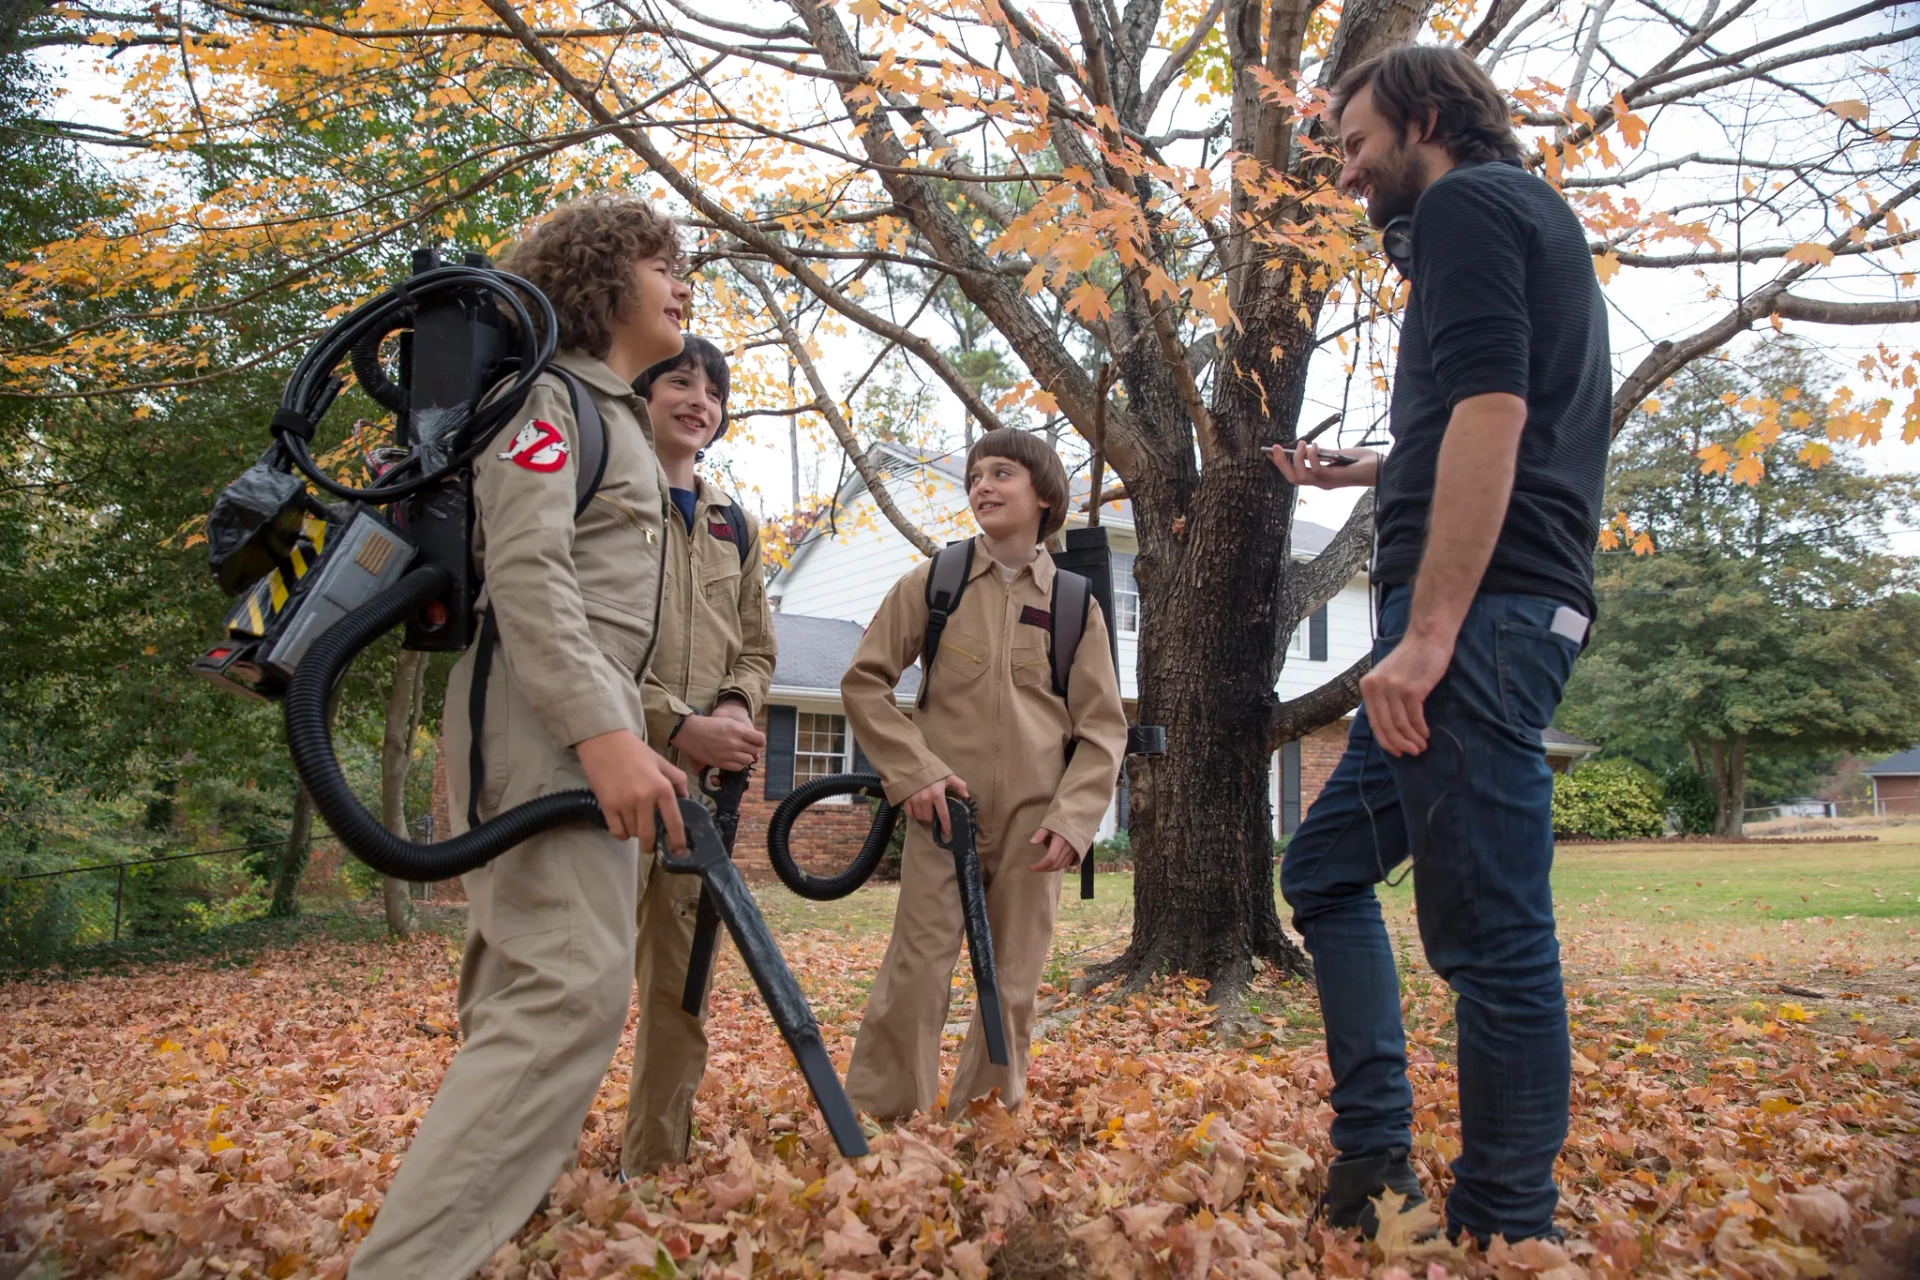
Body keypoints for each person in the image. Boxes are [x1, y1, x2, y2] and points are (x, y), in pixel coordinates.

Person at [1268, 45, 1611, 1246]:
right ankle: (1373, 1161)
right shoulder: (1515, 218)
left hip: (1479, 625)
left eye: (1358, 143)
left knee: (1491, 930)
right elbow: (1485, 405)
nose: (1349, 172)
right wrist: (1368, 466)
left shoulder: (1469, 202)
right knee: (1321, 870)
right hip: (1486, 619)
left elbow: (1494, 414)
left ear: (1423, 116)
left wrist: (1425, 637)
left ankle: (1508, 1224)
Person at [351, 197, 692, 1280]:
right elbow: (535, 576)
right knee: (568, 988)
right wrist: (600, 733)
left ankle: (465, 1236)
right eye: (658, 261)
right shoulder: (550, 399)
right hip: (541, 726)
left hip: (556, 723)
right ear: (602, 281)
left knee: (524, 989)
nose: (680, 281)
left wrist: (632, 732)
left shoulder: (608, 413)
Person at [840, 429, 1128, 1121]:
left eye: (1003, 473)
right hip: (942, 818)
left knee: (1014, 985)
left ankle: (985, 1121)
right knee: (915, 972)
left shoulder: (1072, 605)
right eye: (975, 475)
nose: (984, 485)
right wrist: (915, 773)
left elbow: (1102, 729)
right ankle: (882, 1124)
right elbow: (865, 683)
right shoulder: (934, 582)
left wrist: (1074, 819)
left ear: (1045, 497)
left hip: (1036, 829)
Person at [619, 335, 776, 1176]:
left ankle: (651, 1166)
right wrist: (675, 722)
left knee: (680, 995)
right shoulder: (606, 497)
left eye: (713, 391)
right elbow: (575, 643)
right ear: (638, 396)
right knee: (578, 988)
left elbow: (756, 647)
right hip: (598, 784)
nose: (699, 401)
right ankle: (520, 1162)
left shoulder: (732, 524)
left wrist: (730, 707)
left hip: (693, 805)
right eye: (679, 382)